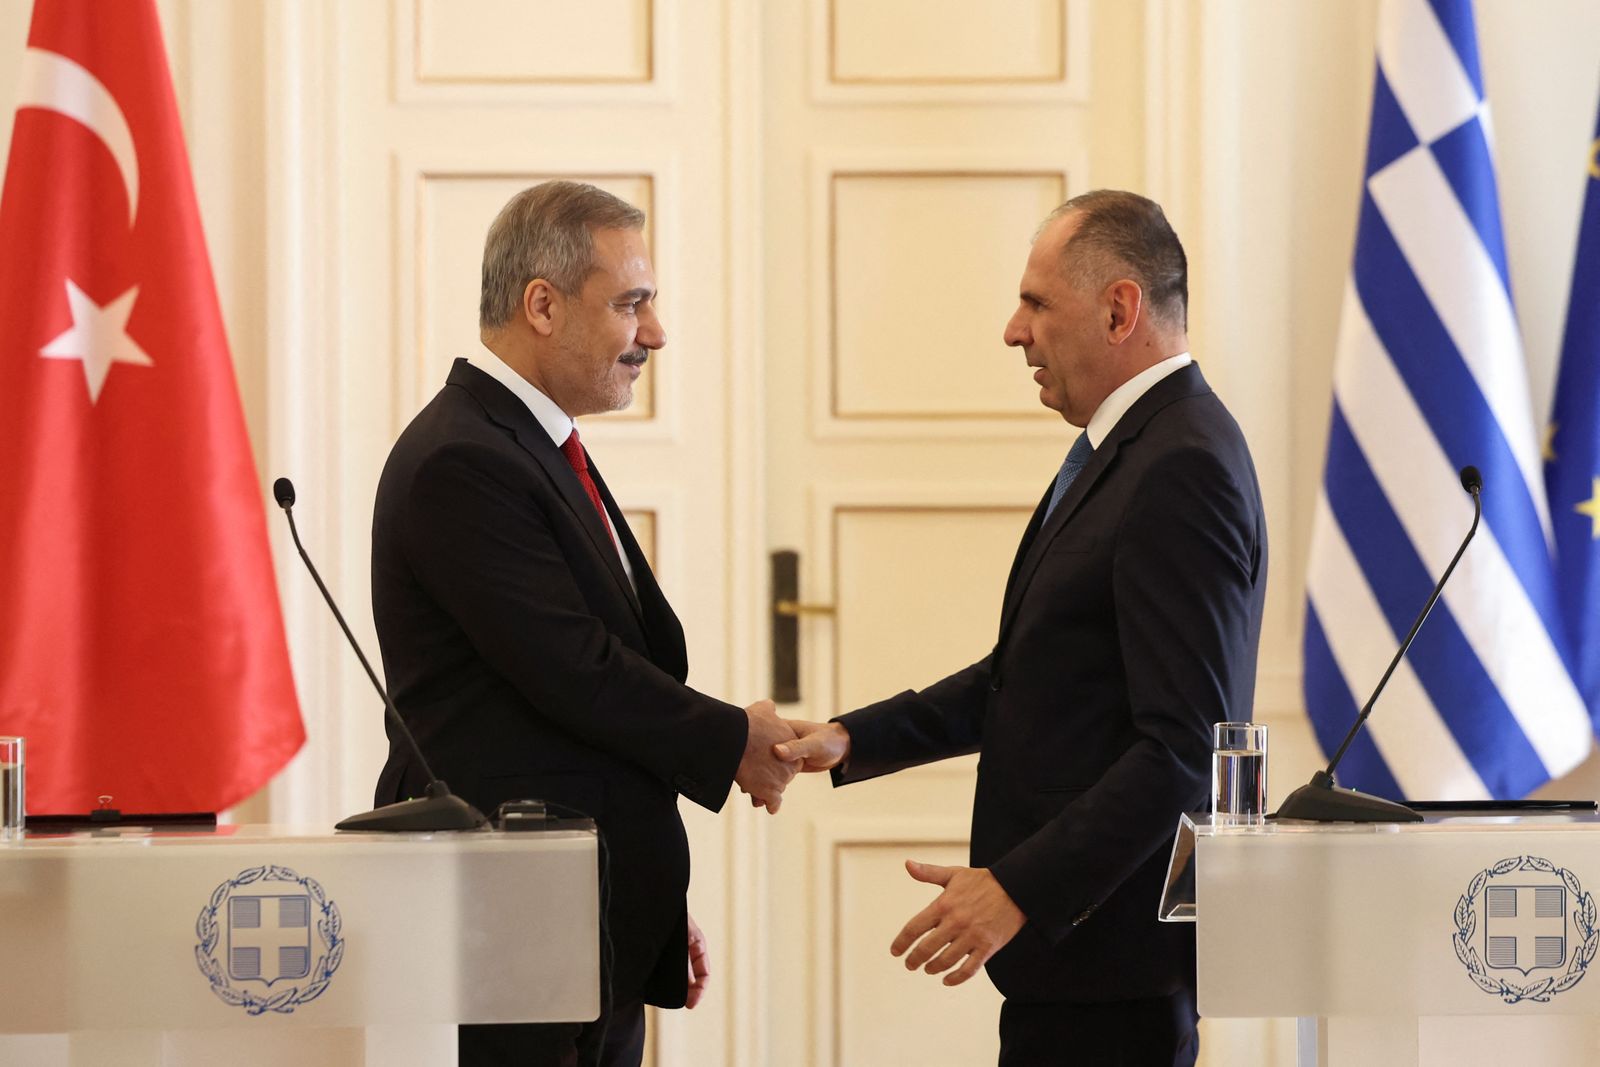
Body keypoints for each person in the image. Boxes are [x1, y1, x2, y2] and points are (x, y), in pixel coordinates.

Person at [778, 190, 1268, 1066]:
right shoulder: (1137, 447)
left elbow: (1184, 748)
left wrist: (1019, 889)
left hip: (1112, 974)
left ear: (1119, 309)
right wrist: (853, 737)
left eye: (1037, 303)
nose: (1013, 330)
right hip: (1073, 969)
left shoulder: (1180, 464)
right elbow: (1032, 670)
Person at [370, 180, 798, 1066]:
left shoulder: (528, 440)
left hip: (575, 898)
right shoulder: (463, 458)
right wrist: (732, 739)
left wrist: (649, 887)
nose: (656, 332)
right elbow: (575, 668)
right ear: (541, 304)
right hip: (509, 910)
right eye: (632, 304)